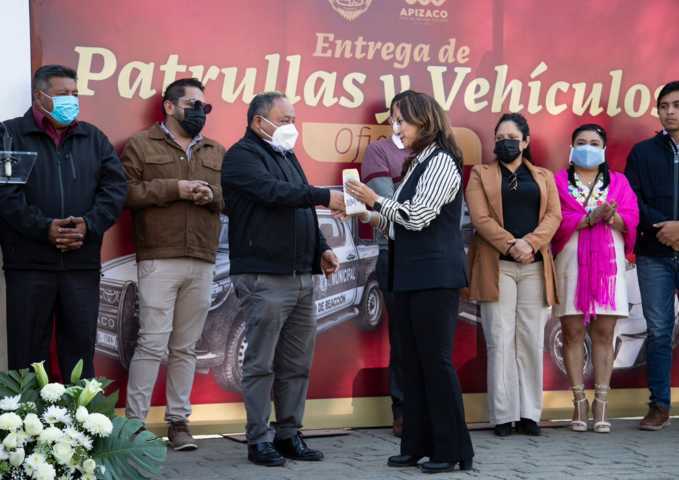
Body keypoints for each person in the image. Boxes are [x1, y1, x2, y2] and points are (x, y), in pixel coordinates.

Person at [346, 92, 474, 474]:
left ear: (425, 121)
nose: (396, 128)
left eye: (401, 120)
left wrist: (375, 199)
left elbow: (417, 217)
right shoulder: (417, 161)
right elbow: (399, 223)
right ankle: (416, 444)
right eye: (393, 121)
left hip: (435, 276)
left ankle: (452, 450)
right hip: (409, 274)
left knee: (435, 362)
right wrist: (368, 215)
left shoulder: (442, 161)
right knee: (412, 363)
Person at [221, 91, 344, 467]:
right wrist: (323, 195)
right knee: (261, 363)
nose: (292, 127)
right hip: (264, 276)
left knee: (296, 363)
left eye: (293, 119)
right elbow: (274, 194)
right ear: (259, 122)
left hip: (301, 275)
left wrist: (321, 247)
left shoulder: (287, 156)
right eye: (285, 120)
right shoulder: (241, 156)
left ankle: (289, 434)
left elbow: (301, 211)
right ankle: (258, 439)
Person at [0, 64, 127, 378]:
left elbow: (115, 189)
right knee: (27, 354)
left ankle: (79, 411)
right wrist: (44, 228)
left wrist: (89, 224)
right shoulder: (9, 135)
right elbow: (6, 196)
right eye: (62, 94)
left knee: (80, 354)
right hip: (29, 266)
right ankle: (29, 412)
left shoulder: (93, 138)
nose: (71, 100)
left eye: (75, 93)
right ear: (39, 97)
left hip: (80, 265)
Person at [121, 78, 224, 450]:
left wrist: (211, 194)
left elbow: (233, 198)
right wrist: (175, 188)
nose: (199, 112)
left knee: (186, 347)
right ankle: (134, 427)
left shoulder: (216, 150)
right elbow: (125, 192)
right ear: (169, 106)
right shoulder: (140, 144)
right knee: (151, 343)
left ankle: (179, 423)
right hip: (158, 257)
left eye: (204, 107)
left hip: (202, 259)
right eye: (192, 105)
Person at [466, 113, 561, 437]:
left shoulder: (544, 176)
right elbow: (480, 218)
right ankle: (503, 415)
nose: (505, 142)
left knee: (531, 341)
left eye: (512, 137)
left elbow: (554, 216)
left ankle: (529, 413)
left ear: (525, 141)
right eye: (499, 137)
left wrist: (530, 244)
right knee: (500, 339)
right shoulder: (480, 174)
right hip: (498, 266)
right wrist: (512, 244)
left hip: (534, 266)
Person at [552, 124, 639, 433]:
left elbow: (632, 218)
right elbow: (553, 219)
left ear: (603, 150)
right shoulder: (557, 181)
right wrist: (589, 219)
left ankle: (601, 404)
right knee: (572, 333)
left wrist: (613, 217)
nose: (587, 147)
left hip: (608, 268)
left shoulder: (619, 182)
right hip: (571, 264)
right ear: (571, 148)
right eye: (581, 142)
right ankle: (578, 402)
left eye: (593, 142)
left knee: (604, 334)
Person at [359, 89, 416, 437]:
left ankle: (430, 408)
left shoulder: (436, 153)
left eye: (408, 114)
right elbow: (386, 203)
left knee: (430, 337)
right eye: (396, 114)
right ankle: (403, 410)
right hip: (394, 252)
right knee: (403, 336)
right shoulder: (379, 151)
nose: (401, 121)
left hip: (432, 256)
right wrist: (422, 202)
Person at [625, 80, 679, 431]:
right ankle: (659, 405)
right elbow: (632, 199)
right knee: (659, 331)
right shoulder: (642, 153)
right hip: (654, 254)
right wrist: (665, 229)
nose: (670, 112)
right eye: (664, 106)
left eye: (676, 105)